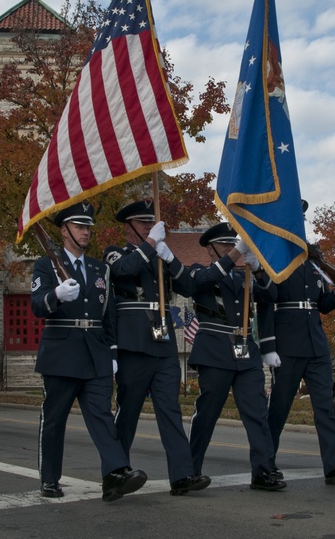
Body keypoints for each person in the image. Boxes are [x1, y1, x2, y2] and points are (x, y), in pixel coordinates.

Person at [30, 201, 147, 502]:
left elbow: (109, 314)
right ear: (64, 230)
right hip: (62, 351)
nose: (86, 233)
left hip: (95, 352)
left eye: (88, 228)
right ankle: (49, 478)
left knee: (102, 416)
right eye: (80, 227)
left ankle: (117, 471)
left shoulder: (100, 268)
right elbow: (36, 305)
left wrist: (112, 351)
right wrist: (55, 295)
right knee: (55, 418)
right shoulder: (47, 264)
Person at [103, 199, 208, 496]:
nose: (150, 226)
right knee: (129, 412)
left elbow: (188, 287)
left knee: (170, 410)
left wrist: (170, 257)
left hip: (163, 345)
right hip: (133, 344)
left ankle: (182, 475)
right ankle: (116, 473)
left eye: (152, 222)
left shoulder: (160, 256)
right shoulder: (115, 252)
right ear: (128, 227)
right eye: (143, 222)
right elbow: (123, 270)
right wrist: (150, 243)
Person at [267, 202, 335, 485]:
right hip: (287, 344)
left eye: (302, 218)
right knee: (280, 407)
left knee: (324, 406)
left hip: (316, 344)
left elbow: (321, 304)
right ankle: (265, 464)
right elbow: (267, 301)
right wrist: (269, 345)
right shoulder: (276, 257)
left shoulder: (312, 260)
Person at [186, 222, 283, 491]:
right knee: (207, 414)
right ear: (210, 250)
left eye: (233, 243)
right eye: (225, 245)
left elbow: (270, 296)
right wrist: (235, 256)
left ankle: (263, 470)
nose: (231, 248)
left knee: (257, 412)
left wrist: (260, 269)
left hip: (244, 351)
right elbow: (204, 282)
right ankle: (189, 470)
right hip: (214, 350)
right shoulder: (199, 271)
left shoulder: (244, 277)